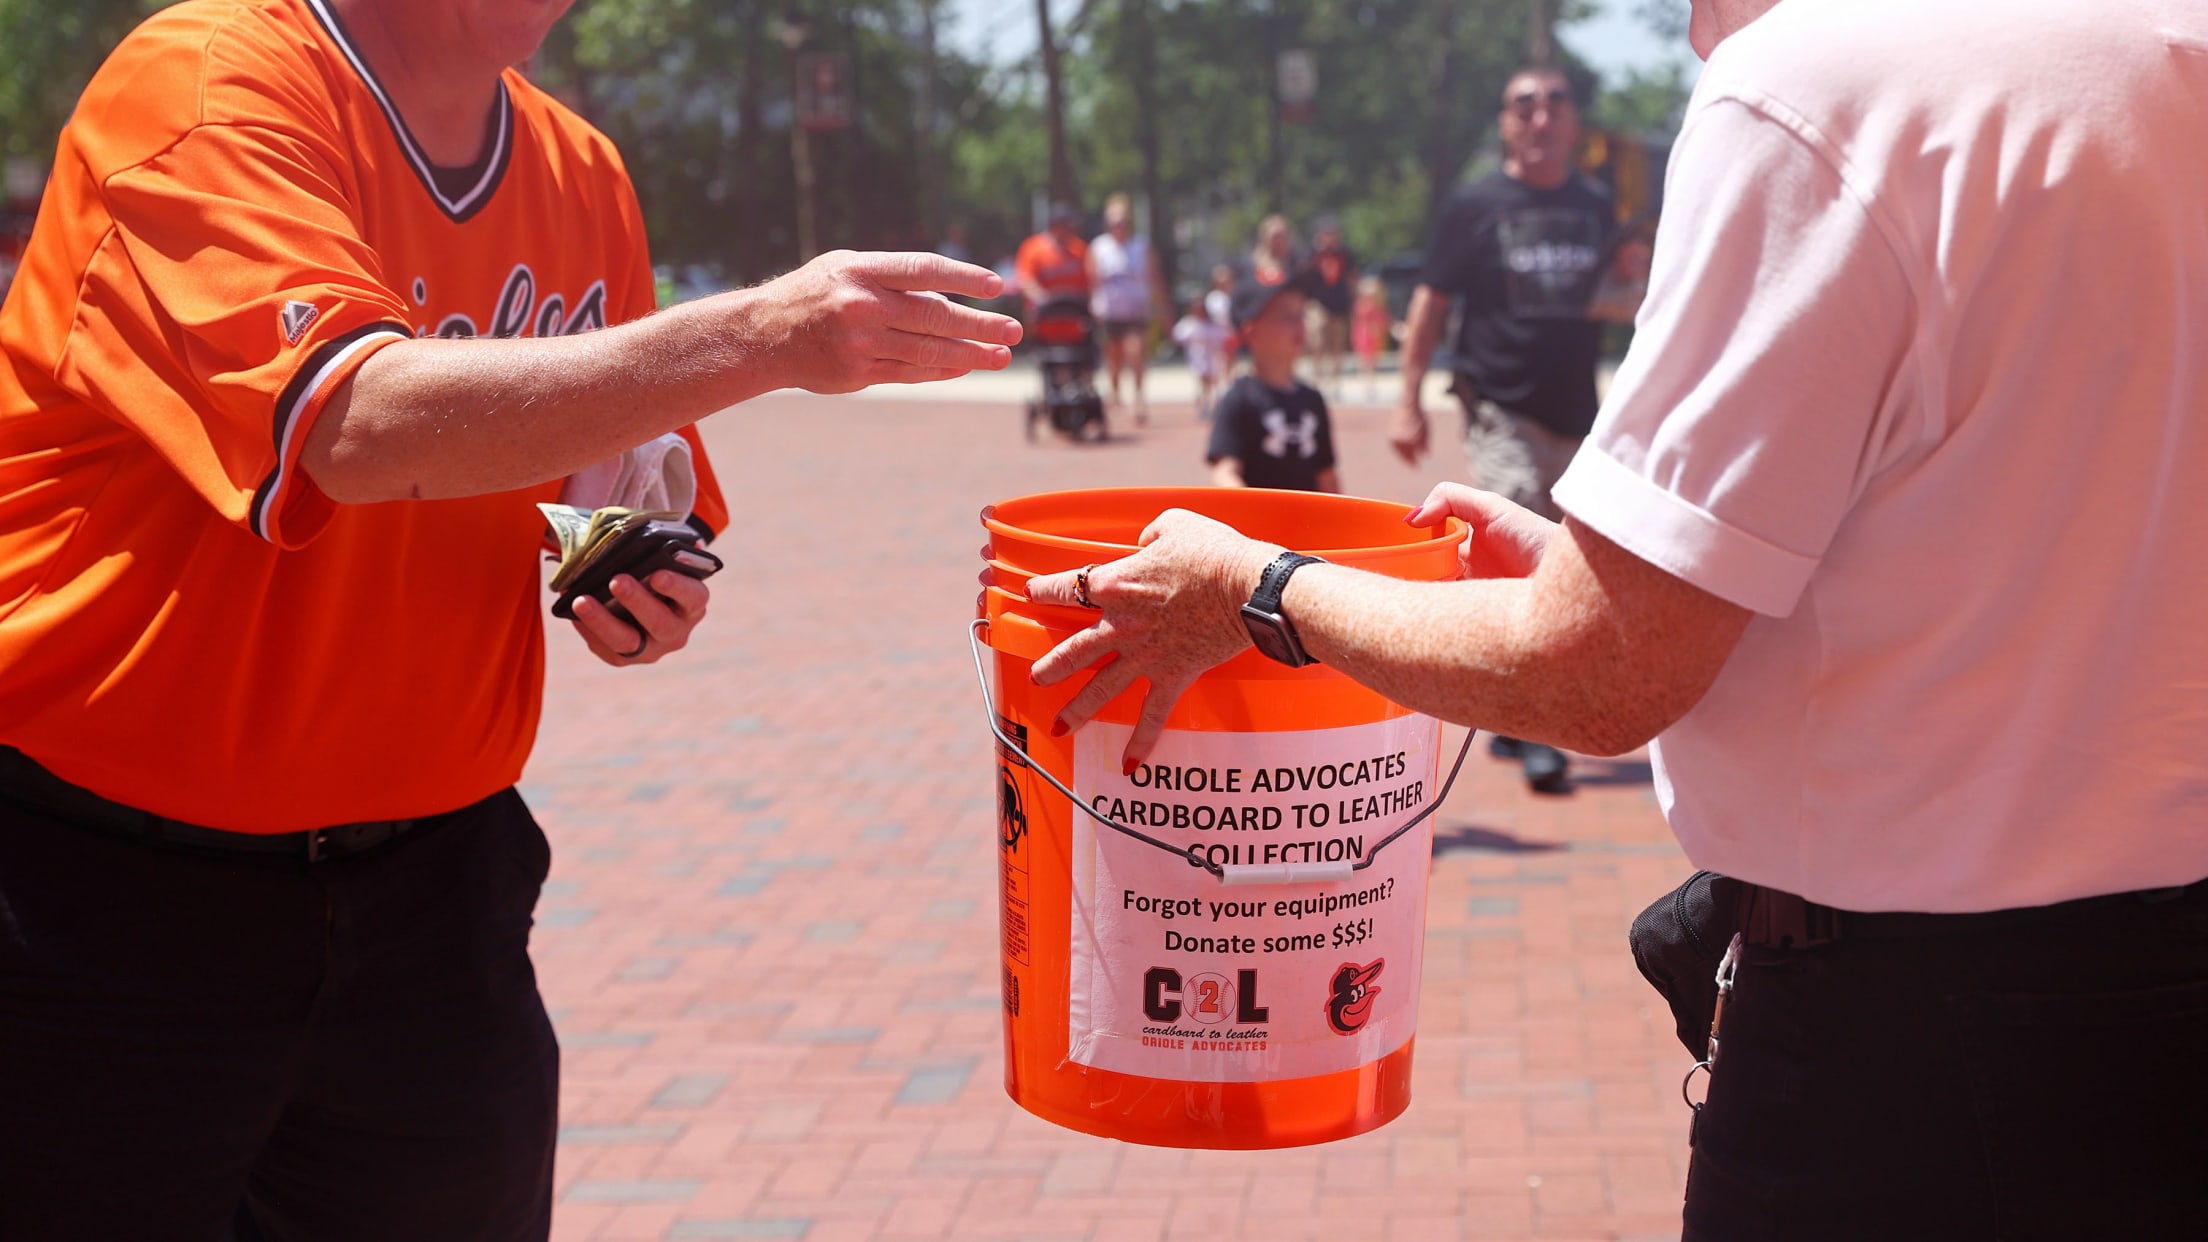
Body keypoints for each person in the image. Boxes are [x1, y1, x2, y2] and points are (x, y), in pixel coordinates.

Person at [1023, 0, 2208, 1237]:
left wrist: (1256, 591)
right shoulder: (2167, 48)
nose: (1693, 29)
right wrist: (1650, 574)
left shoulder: (1814, 87)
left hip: (1912, 1059)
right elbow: (2024, 526)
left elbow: (1592, 677)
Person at [0, 0, 1019, 1237]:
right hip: (101, 901)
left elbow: (606, 492)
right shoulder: (205, 84)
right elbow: (353, 427)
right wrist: (766, 332)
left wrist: (627, 576)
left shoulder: (577, 170)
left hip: (435, 901)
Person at [1391, 64, 1641, 793]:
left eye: (1555, 104)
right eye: (1524, 105)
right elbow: (1431, 306)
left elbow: (1614, 301)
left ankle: (1509, 710)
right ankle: (1537, 726)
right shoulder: (1474, 206)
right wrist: (1408, 398)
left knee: (1573, 554)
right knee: (1527, 529)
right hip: (1499, 403)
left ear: (1573, 124)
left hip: (1577, 411)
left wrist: (1639, 281)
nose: (1540, 116)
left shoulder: (1597, 207)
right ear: (1505, 122)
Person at [1206, 279, 1338, 494]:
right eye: (1287, 317)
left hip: (1308, 525)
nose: (1299, 324)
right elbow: (1223, 472)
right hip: (1257, 525)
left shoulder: (1313, 400)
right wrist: (1252, 513)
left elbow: (1327, 476)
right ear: (1251, 332)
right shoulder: (1238, 399)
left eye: (1300, 315)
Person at [1087, 192, 1167, 425]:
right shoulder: (1099, 248)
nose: (1118, 227)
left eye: (1122, 222)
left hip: (1135, 311)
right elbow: (1092, 281)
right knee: (1113, 357)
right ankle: (1115, 394)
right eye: (1113, 223)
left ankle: (1139, 398)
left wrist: (1162, 309)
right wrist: (1093, 305)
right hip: (1109, 312)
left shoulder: (1141, 247)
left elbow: (1155, 278)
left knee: (1136, 352)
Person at [1298, 215, 1356, 398]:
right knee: (1318, 339)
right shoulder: (1313, 254)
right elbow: (1303, 273)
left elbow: (1352, 277)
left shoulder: (1344, 254)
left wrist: (1354, 300)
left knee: (1338, 343)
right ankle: (1317, 376)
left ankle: (1335, 380)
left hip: (1339, 303)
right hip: (1318, 303)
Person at [1014, 200, 1092, 313]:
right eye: (1066, 226)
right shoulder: (1032, 247)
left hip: (1074, 314)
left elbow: (1088, 284)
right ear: (1054, 226)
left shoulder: (1079, 248)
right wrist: (1046, 300)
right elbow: (1026, 282)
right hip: (1044, 315)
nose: (1071, 230)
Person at [1170, 294, 1234, 421]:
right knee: (1203, 380)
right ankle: (1204, 405)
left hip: (1213, 357)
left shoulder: (1213, 325)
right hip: (1197, 357)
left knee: (1214, 381)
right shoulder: (1188, 324)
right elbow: (1177, 337)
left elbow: (1224, 339)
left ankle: (1215, 405)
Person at [1350, 273, 1392, 402]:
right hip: (1364, 335)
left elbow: (1384, 320)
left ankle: (1370, 384)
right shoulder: (1362, 304)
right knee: (1365, 362)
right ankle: (1367, 385)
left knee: (1372, 362)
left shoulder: (1379, 305)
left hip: (1374, 336)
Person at [1249, 212, 1300, 287]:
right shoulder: (1255, 268)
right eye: (1275, 237)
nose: (1279, 241)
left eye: (1282, 236)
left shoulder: (1298, 265)